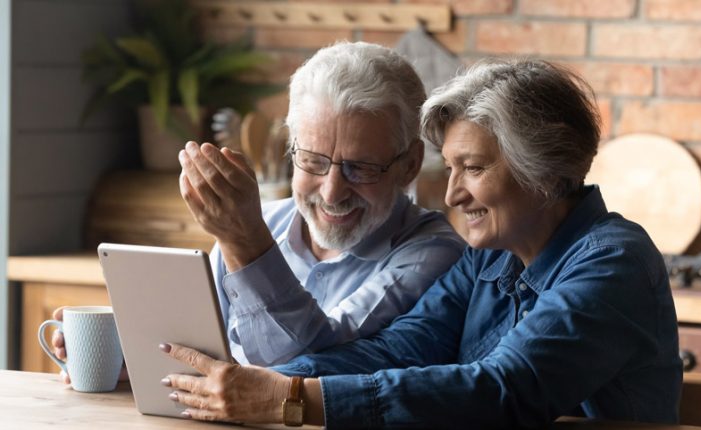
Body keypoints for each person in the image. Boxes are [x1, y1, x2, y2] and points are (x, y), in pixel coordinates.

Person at [160, 59, 682, 428]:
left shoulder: (613, 260)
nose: (453, 194)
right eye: (451, 167)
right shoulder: (488, 259)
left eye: (473, 168)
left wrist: (289, 397)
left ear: (543, 172)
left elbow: (503, 391)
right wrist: (249, 382)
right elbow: (395, 352)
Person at [50, 41, 465, 374]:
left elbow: (305, 369)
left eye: (361, 168)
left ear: (409, 164)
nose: (333, 191)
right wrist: (125, 358)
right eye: (314, 161)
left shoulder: (434, 253)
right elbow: (201, 352)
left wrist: (244, 241)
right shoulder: (264, 220)